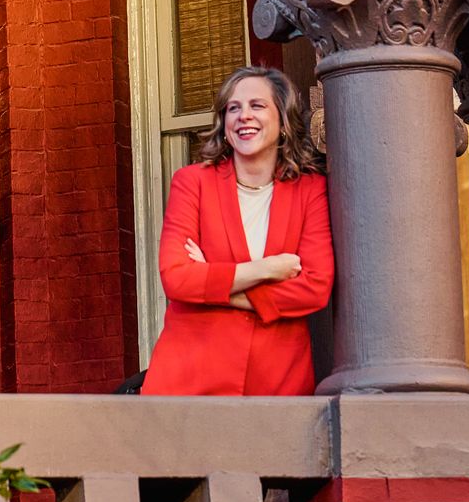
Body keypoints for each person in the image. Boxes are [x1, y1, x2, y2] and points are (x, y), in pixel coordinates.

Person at [141, 65, 333, 396]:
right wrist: (267, 270)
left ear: (282, 121)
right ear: (224, 124)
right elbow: (176, 278)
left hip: (276, 381)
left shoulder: (310, 190)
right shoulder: (193, 183)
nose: (244, 115)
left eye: (257, 106)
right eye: (234, 108)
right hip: (190, 378)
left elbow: (314, 287)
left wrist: (214, 283)